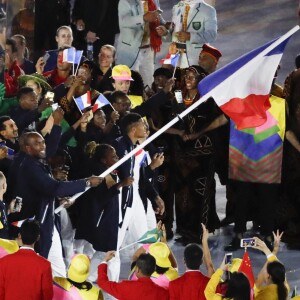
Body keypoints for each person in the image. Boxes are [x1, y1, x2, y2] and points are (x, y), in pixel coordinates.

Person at [16, 131, 102, 276]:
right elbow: (53, 187)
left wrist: (57, 201)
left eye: (43, 142)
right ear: (28, 148)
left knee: (57, 270)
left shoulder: (36, 162)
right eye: (37, 143)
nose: (43, 146)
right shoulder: (29, 166)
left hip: (46, 222)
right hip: (36, 226)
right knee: (43, 270)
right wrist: (86, 182)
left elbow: (43, 191)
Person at [0, 219, 53, 300]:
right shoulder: (45, 265)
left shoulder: (4, 262)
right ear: (38, 237)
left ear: (20, 235)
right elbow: (47, 296)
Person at [116, 0, 165, 87]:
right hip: (130, 51)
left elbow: (160, 21)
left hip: (148, 50)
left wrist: (165, 28)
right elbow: (124, 21)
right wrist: (143, 18)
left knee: (149, 85)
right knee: (127, 85)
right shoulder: (126, 1)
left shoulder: (154, 1)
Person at [156, 0, 217, 66]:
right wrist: (166, 33)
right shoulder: (177, 8)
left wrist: (190, 36)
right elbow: (174, 36)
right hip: (177, 59)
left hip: (195, 59)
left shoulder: (208, 10)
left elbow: (212, 35)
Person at [98, 252, 169, 300]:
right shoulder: (163, 292)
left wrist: (105, 260)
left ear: (137, 269)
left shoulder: (125, 287)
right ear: (153, 271)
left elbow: (102, 282)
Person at [169, 224, 214, 300]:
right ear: (201, 261)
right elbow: (210, 266)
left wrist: (163, 240)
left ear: (184, 260)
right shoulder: (209, 283)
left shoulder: (174, 285)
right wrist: (204, 241)